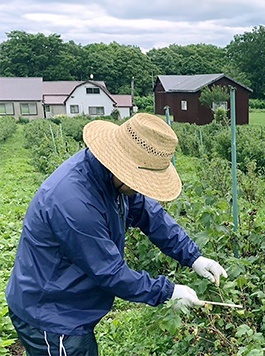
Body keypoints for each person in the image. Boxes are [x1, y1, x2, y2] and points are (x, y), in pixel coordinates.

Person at [5, 113, 228, 355]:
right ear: (122, 167)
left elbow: (149, 213)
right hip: (52, 314)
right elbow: (109, 272)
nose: (142, 187)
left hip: (70, 304)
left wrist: (193, 257)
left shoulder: (109, 179)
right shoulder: (74, 202)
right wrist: (168, 292)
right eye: (142, 180)